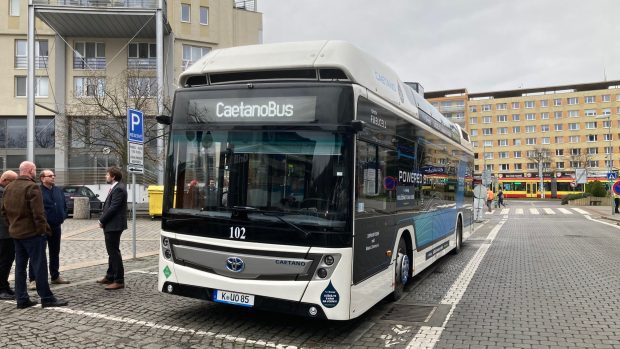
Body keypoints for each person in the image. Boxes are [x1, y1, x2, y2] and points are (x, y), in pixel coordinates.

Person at [0, 161, 68, 309]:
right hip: (32, 234)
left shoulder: (9, 187)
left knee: (20, 267)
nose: (35, 173)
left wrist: (12, 226)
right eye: (35, 170)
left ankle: (22, 299)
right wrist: (42, 230)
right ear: (30, 171)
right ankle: (46, 297)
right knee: (39, 265)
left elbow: (4, 212)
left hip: (16, 234)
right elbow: (38, 214)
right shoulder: (32, 187)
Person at [28, 169, 70, 290]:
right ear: (42, 178)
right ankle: (33, 279)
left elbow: (64, 205)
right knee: (38, 253)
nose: (53, 177)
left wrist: (63, 216)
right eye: (50, 176)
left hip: (56, 226)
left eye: (53, 175)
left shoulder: (58, 190)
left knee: (55, 252)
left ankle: (55, 276)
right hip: (42, 227)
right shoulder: (37, 191)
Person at [97, 167, 127, 290]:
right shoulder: (116, 187)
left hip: (114, 225)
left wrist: (102, 220)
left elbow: (113, 208)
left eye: (107, 174)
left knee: (114, 252)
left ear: (113, 176)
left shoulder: (119, 188)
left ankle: (119, 280)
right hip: (112, 224)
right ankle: (110, 276)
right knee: (112, 252)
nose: (106, 176)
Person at [0, 170, 18, 300]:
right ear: (5, 180)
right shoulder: (2, 193)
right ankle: (1, 289)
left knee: (8, 260)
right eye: (13, 182)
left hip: (8, 233)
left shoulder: (4, 191)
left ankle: (5, 285)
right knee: (3, 261)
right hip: (3, 234)